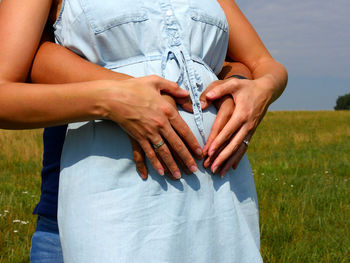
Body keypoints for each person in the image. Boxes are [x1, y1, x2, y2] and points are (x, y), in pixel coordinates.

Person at [0, 0, 287, 262]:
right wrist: (114, 98)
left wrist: (256, 89)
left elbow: (253, 63)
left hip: (223, 195)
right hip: (117, 196)